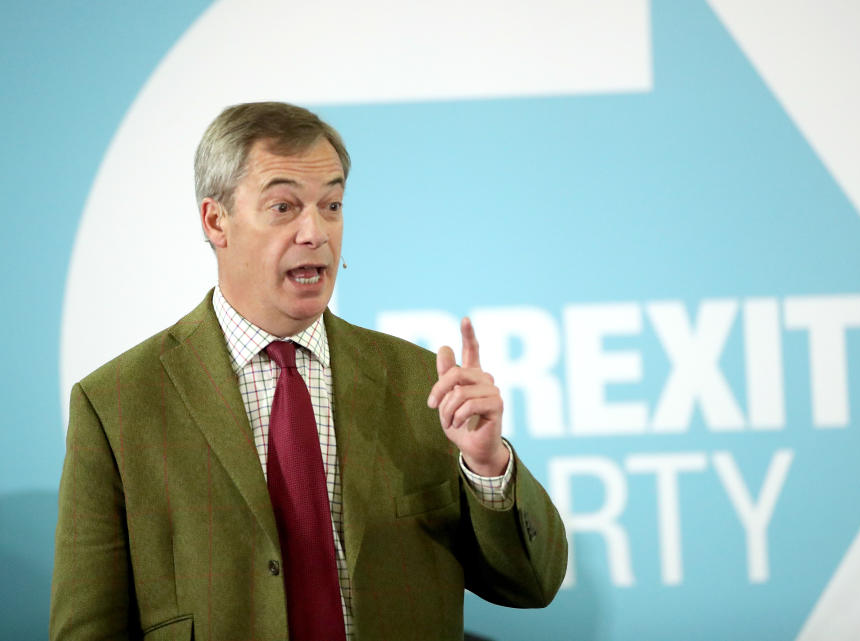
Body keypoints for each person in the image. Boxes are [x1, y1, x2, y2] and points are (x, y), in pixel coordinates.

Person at [50, 102, 567, 641]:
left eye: (332, 205)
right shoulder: (118, 404)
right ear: (215, 220)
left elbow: (533, 584)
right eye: (283, 207)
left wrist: (486, 465)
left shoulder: (423, 385)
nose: (315, 232)